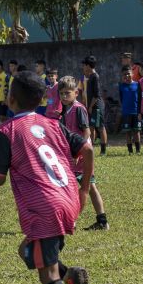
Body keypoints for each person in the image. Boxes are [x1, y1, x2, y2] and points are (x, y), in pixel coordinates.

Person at [0, 73, 98, 284]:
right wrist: (83, 190)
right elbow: (87, 148)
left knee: (46, 274)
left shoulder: (7, 131)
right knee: (27, 251)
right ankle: (71, 274)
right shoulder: (53, 124)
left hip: (44, 205)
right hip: (68, 197)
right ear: (43, 100)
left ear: (10, 99)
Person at [57, 77, 108, 230]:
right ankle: (102, 221)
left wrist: (78, 153)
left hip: (80, 157)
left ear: (76, 93)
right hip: (74, 156)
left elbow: (86, 133)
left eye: (67, 93)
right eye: (61, 93)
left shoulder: (78, 109)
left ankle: (72, 221)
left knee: (83, 187)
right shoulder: (65, 110)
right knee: (88, 187)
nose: (64, 96)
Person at [80, 56, 107, 155]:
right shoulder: (90, 76)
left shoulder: (95, 76)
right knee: (91, 127)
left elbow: (96, 95)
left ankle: (103, 150)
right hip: (91, 106)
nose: (83, 67)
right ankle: (91, 147)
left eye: (84, 65)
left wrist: (90, 106)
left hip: (97, 106)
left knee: (100, 127)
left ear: (88, 65)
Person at [118, 65, 142, 153]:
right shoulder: (121, 86)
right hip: (126, 113)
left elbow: (140, 99)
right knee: (128, 132)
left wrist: (140, 112)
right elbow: (121, 98)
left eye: (128, 74)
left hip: (136, 112)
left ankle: (138, 150)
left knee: (137, 132)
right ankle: (130, 151)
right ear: (122, 75)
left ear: (132, 73)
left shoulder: (137, 84)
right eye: (124, 74)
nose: (127, 76)